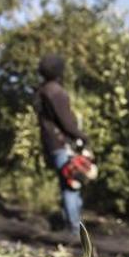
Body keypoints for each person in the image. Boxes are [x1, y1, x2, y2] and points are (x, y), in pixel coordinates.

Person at [34, 54, 89, 235]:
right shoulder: (56, 93)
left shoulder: (42, 91)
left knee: (69, 184)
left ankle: (72, 224)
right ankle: (74, 229)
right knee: (71, 185)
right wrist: (81, 136)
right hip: (61, 144)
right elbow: (66, 123)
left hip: (51, 143)